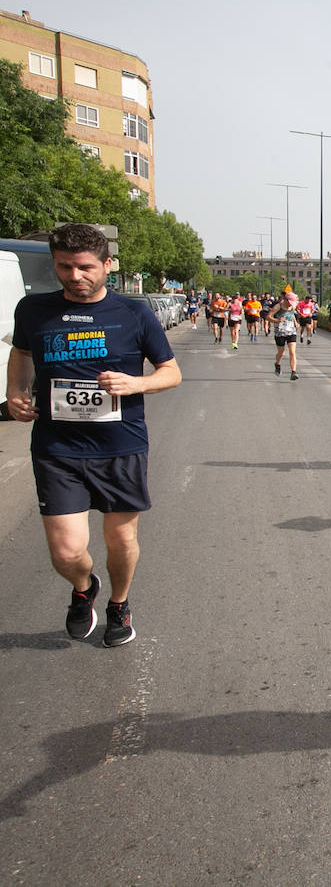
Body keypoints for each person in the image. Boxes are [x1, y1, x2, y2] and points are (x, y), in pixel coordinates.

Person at [5, 223, 181, 648]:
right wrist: (14, 393)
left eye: (85, 267)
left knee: (121, 538)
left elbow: (171, 373)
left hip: (119, 446)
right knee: (65, 552)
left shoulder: (134, 313)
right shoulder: (33, 310)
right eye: (65, 267)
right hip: (57, 448)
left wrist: (135, 384)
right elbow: (22, 353)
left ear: (106, 265)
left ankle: (119, 604)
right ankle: (84, 587)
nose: (75, 276)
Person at [266, 291, 301, 380]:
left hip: (291, 332)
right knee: (281, 353)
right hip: (280, 332)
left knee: (292, 352)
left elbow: (292, 314)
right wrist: (277, 320)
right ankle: (277, 364)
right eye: (290, 302)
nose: (291, 304)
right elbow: (268, 317)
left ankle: (293, 372)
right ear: (286, 300)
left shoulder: (292, 306)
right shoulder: (278, 306)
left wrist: (295, 322)